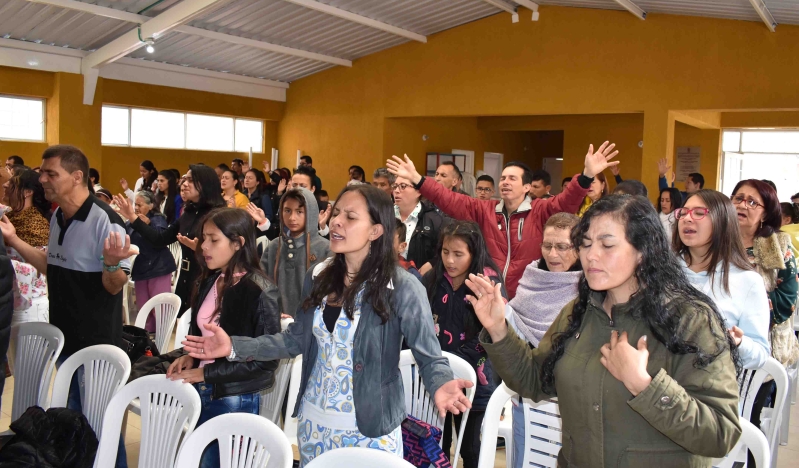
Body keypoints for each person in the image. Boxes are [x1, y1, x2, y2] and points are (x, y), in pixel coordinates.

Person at [181, 184, 474, 466]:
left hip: (369, 428)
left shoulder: (402, 286)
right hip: (315, 424)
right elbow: (294, 340)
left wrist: (440, 382)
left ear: (375, 230)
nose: (336, 222)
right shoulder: (319, 275)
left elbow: (428, 353)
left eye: (350, 217)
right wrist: (235, 346)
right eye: (336, 213)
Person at [468, 195, 741, 467]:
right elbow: (534, 381)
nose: (591, 255)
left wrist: (644, 385)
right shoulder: (579, 313)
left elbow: (720, 433)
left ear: (643, 250)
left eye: (607, 245)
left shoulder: (690, 319)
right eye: (585, 245)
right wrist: (498, 328)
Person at [0, 145, 133, 467]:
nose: (42, 178)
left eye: (50, 173)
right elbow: (51, 266)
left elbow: (115, 286)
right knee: (75, 422)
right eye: (42, 172)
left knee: (100, 422)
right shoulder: (60, 215)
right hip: (67, 338)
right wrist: (14, 239)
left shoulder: (107, 221)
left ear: (77, 177)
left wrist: (112, 264)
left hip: (96, 343)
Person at [388, 142, 618, 299]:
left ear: (527, 187)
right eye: (503, 178)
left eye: (512, 178)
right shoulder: (485, 210)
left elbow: (566, 202)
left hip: (529, 296)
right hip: (490, 296)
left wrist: (586, 176)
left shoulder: (540, 210)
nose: (505, 182)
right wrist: (418, 179)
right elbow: (449, 199)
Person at [167, 208, 280, 468]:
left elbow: (266, 362)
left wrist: (206, 375)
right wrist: (190, 357)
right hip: (202, 389)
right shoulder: (209, 280)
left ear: (238, 243)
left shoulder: (260, 291)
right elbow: (205, 337)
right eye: (203, 238)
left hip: (233, 397)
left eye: (213, 240)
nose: (204, 246)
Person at [503, 213, 582, 468]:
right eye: (547, 245)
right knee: (525, 457)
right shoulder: (532, 276)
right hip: (528, 390)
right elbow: (515, 323)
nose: (552, 254)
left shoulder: (590, 286)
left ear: (580, 248)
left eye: (562, 246)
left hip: (571, 399)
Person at [424, 220, 502, 468]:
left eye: (458, 254)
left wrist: (454, 363)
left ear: (474, 253)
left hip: (476, 383)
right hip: (439, 380)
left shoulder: (486, 282)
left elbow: (488, 335)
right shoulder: (434, 278)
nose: (450, 260)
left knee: (470, 447)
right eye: (446, 252)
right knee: (438, 443)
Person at [674, 190, 770, 370]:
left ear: (722, 221)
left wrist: (739, 343)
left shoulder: (747, 281)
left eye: (699, 213)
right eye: (684, 212)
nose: (687, 218)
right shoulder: (664, 270)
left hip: (712, 388)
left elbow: (761, 355)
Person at [116, 164, 225, 315]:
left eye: (191, 180)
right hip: (187, 277)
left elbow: (228, 253)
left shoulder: (218, 214)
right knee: (185, 322)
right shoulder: (189, 212)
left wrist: (200, 249)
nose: (184, 184)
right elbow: (160, 239)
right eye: (185, 179)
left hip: (208, 277)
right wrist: (133, 218)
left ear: (205, 183)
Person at [732, 180, 799, 368]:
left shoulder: (779, 246)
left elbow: (786, 301)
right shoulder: (716, 242)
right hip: (718, 341)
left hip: (765, 344)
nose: (742, 205)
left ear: (766, 213)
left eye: (752, 202)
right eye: (738, 199)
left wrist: (741, 306)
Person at [260, 188, 330, 317]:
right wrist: (273, 311)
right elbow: (261, 285)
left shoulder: (326, 248)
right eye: (287, 211)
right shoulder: (274, 246)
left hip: (312, 323)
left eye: (299, 212)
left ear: (311, 213)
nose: (292, 217)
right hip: (276, 321)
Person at [124, 190, 176, 333]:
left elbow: (159, 238)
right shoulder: (132, 220)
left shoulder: (158, 219)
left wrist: (147, 224)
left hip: (158, 268)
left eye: (140, 205)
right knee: (144, 308)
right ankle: (147, 338)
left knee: (159, 308)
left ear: (151, 205)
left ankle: (162, 337)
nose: (136, 208)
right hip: (141, 268)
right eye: (135, 204)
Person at [392, 176, 447, 275]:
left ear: (419, 192)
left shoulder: (434, 220)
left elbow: (443, 253)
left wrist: (431, 264)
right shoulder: (385, 215)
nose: (396, 191)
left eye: (403, 186)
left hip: (419, 279)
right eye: (395, 186)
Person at [2, 169, 50, 248]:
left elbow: (36, 259)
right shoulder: (10, 215)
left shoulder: (36, 227)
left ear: (28, 192)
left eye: (12, 183)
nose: (4, 185)